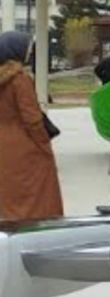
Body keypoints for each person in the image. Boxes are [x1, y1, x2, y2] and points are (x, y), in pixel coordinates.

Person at [0, 31, 64, 222]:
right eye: (27, 48)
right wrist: (44, 145)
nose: (29, 52)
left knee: (12, 197)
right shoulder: (19, 79)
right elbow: (32, 119)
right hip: (26, 146)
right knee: (37, 198)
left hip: (4, 144)